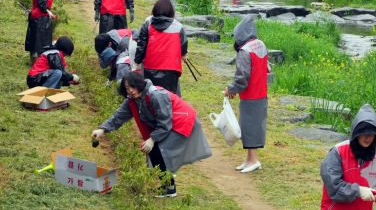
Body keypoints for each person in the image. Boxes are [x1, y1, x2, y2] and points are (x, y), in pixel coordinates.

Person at [91, 71, 212, 198]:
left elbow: (165, 123)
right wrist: (102, 130)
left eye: (133, 86)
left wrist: (152, 139)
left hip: (182, 121)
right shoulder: (132, 100)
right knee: (153, 150)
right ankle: (168, 186)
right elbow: (118, 117)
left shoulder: (156, 95)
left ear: (139, 84)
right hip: (169, 123)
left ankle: (169, 188)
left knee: (160, 150)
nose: (131, 91)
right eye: (127, 88)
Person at [223, 17, 269, 173]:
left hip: (251, 95)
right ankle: (248, 159)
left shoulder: (245, 51)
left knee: (249, 127)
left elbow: (242, 78)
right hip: (261, 93)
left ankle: (254, 160)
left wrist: (230, 89)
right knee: (250, 126)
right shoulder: (261, 45)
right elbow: (266, 69)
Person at [135, 0, 188, 97]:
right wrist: (184, 54)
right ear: (171, 11)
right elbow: (183, 45)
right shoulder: (178, 26)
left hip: (151, 66)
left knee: (151, 94)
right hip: (171, 68)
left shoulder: (148, 24)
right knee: (169, 97)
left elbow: (141, 45)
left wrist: (136, 62)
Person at [25, 0, 64, 65]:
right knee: (36, 40)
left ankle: (39, 61)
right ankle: (33, 62)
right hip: (37, 17)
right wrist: (49, 12)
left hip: (45, 16)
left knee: (44, 40)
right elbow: (41, 3)